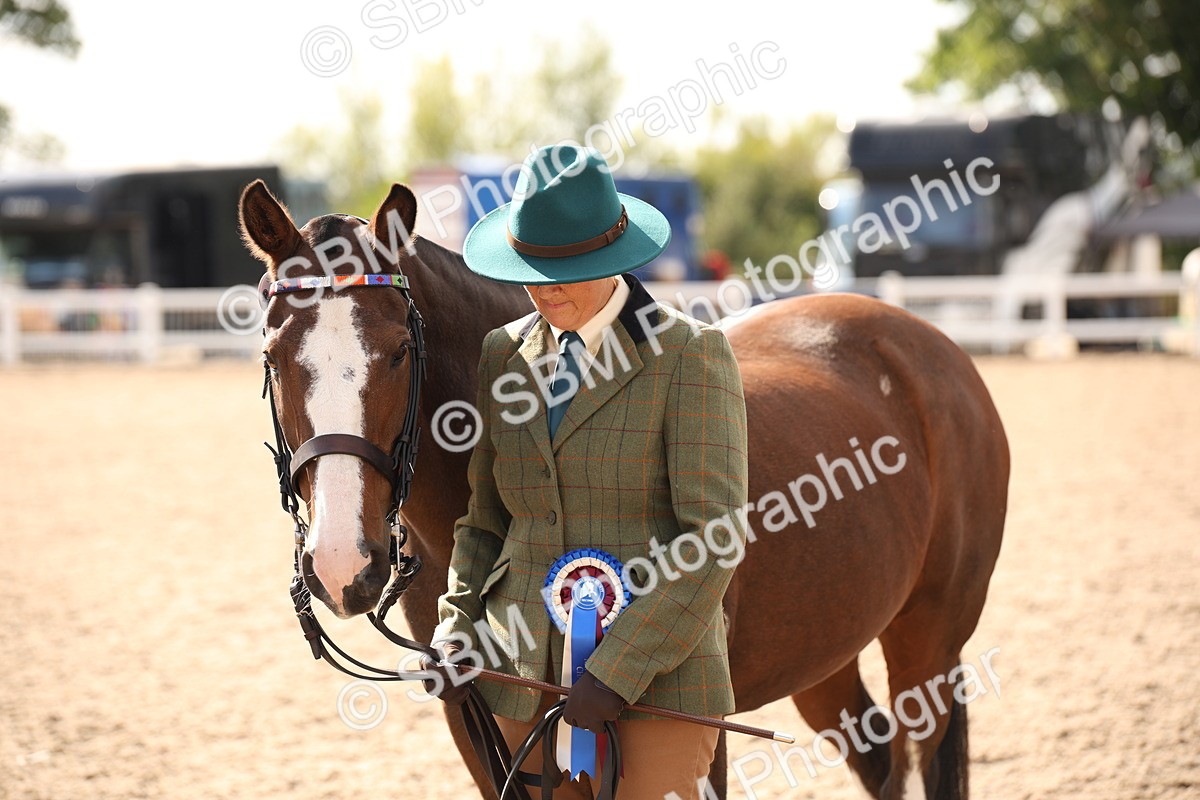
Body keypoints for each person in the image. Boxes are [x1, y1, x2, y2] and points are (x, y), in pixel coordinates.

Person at [425, 144, 749, 799]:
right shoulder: (502, 354)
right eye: (531, 270)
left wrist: (614, 672)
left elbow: (713, 537)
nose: (544, 289)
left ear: (612, 258)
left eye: (565, 271)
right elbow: (486, 519)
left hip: (658, 681)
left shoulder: (690, 355)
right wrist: (456, 624)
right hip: (522, 675)